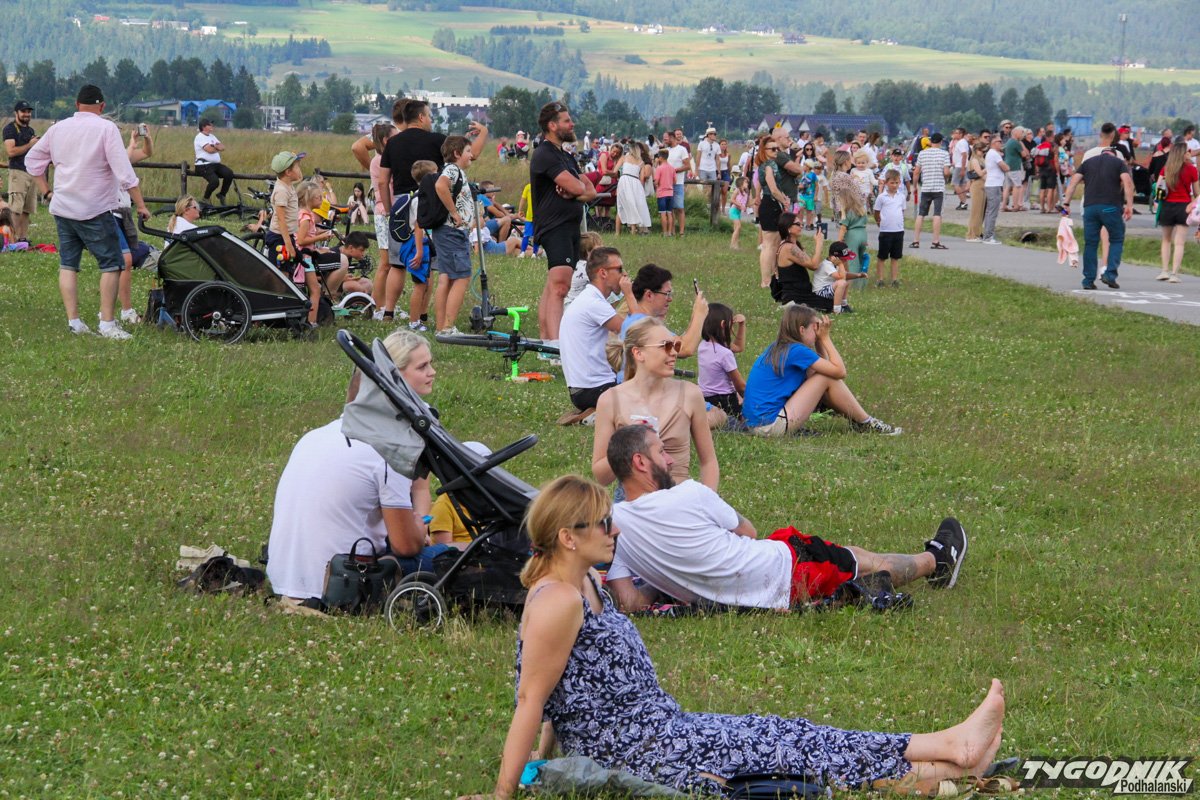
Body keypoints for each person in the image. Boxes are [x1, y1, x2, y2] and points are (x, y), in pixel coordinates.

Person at [465, 473, 1004, 799]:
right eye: (604, 523)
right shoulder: (556, 602)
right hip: (643, 752)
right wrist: (505, 791)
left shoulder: (582, 582)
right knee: (782, 751)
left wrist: (543, 763)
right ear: (567, 537)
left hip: (662, 732)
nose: (617, 529)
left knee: (785, 735)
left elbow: (560, 700)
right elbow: (532, 702)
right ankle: (949, 755)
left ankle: (948, 757)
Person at [605, 424, 968, 612]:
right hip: (783, 570)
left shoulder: (613, 529)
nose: (670, 460)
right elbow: (748, 532)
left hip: (755, 586)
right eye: (661, 452)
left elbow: (630, 602)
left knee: (848, 559)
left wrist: (665, 579)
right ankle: (935, 561)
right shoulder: (689, 492)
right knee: (860, 562)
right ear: (640, 462)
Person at [266, 330, 444, 603]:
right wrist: (419, 529)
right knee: (451, 557)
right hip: (339, 581)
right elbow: (406, 546)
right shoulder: (386, 450)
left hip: (283, 577)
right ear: (395, 381)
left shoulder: (316, 436)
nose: (432, 372)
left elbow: (420, 487)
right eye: (422, 366)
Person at [25, 84, 150, 340]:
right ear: (102, 106)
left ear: (76, 105)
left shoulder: (58, 128)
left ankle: (74, 322)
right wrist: (140, 205)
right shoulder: (106, 129)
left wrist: (47, 192)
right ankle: (107, 324)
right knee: (112, 264)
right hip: (94, 209)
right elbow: (125, 173)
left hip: (63, 208)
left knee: (68, 264)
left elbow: (32, 161)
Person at [592, 318, 721, 491]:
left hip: (679, 497)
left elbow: (709, 462)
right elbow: (602, 477)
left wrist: (707, 499)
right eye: (665, 346)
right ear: (638, 353)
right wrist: (628, 444)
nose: (674, 352)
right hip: (634, 501)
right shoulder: (610, 400)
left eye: (675, 345)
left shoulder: (690, 394)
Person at [742, 304, 900, 437]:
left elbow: (821, 370)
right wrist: (825, 338)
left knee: (823, 376)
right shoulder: (796, 350)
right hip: (769, 427)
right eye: (815, 328)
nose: (818, 332)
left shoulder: (781, 347)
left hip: (757, 425)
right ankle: (866, 423)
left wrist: (818, 342)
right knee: (826, 378)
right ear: (802, 330)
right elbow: (839, 372)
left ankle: (860, 421)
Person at [530, 101, 597, 344]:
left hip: (569, 226)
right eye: (567, 120)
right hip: (554, 226)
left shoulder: (565, 155)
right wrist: (577, 189)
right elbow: (579, 187)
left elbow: (590, 190)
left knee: (554, 285)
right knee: (560, 287)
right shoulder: (545, 154)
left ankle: (546, 342)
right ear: (552, 125)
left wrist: (575, 192)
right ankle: (557, 346)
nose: (572, 124)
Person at [558, 246, 635, 419]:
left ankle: (597, 412)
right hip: (593, 389)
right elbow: (637, 333)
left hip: (583, 389)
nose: (624, 274)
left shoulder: (590, 299)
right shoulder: (593, 303)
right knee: (652, 396)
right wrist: (630, 295)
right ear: (603, 273)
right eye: (619, 269)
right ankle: (598, 414)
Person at [1061, 122, 1134, 290]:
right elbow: (1127, 182)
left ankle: (1088, 280)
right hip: (1110, 207)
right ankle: (1110, 273)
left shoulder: (1088, 161)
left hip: (1090, 207)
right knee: (1116, 238)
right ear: (1113, 154)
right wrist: (1129, 205)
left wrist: (1065, 204)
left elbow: (1073, 183)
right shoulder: (1118, 162)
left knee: (1091, 243)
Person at [431, 135, 477, 335]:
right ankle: (448, 326)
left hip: (446, 232)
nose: (471, 155)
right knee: (462, 277)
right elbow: (440, 186)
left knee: (447, 278)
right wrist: (454, 212)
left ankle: (442, 326)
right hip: (453, 232)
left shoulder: (453, 170)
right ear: (457, 153)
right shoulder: (452, 170)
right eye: (468, 151)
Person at [368, 123, 406, 323]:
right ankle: (378, 306)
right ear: (386, 140)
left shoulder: (385, 158)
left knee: (392, 263)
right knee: (385, 263)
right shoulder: (379, 161)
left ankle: (386, 304)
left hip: (390, 212)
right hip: (385, 212)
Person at [1153, 141, 1198, 284]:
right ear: (1184, 154)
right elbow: (1197, 192)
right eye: (1188, 151)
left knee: (1166, 239)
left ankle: (1164, 271)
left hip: (1167, 206)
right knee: (1179, 243)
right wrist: (1192, 203)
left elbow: (1158, 189)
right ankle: (1174, 274)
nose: (1190, 153)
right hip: (1184, 207)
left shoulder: (1166, 168)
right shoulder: (1191, 169)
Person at [698, 303, 746, 417]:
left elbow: (738, 347)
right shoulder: (724, 354)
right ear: (723, 324)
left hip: (705, 398)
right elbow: (740, 387)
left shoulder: (703, 345)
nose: (732, 329)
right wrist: (753, 401)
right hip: (725, 401)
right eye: (731, 325)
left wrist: (742, 325)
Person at [4, 100, 39, 242]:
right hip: (18, 172)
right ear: (16, 113)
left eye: (28, 112)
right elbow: (11, 151)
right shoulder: (10, 129)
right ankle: (11, 240)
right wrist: (29, 144)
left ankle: (23, 239)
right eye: (23, 111)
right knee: (15, 209)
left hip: (31, 172)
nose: (26, 114)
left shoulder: (30, 131)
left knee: (26, 209)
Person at [911, 132, 950, 250]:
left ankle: (916, 241)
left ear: (931, 141)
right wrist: (946, 178)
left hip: (926, 188)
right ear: (941, 142)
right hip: (939, 189)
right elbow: (946, 172)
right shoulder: (944, 154)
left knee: (921, 214)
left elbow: (916, 172)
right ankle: (935, 241)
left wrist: (915, 186)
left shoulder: (922, 154)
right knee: (937, 214)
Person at [874, 168, 906, 284]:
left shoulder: (901, 196)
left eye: (897, 182)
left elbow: (902, 211)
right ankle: (880, 279)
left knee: (895, 257)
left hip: (898, 230)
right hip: (886, 231)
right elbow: (876, 212)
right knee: (882, 256)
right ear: (886, 183)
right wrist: (879, 222)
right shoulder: (881, 197)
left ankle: (894, 279)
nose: (894, 185)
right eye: (892, 183)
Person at [193, 118, 234, 205]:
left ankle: (222, 194)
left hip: (215, 165)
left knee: (229, 173)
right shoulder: (199, 137)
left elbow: (222, 147)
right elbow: (209, 150)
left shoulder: (212, 136)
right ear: (204, 127)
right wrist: (216, 147)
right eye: (209, 124)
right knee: (215, 182)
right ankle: (206, 198)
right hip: (203, 165)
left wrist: (214, 146)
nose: (212, 126)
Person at [614, 143, 653, 235]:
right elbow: (642, 179)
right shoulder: (641, 162)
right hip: (636, 184)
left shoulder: (624, 158)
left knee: (621, 206)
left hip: (624, 181)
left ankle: (617, 232)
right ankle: (633, 231)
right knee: (633, 206)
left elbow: (615, 171)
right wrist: (641, 191)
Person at [812, 241, 855, 313]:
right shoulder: (827, 265)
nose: (846, 260)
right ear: (834, 257)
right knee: (841, 283)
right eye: (843, 258)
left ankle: (844, 305)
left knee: (846, 281)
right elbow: (842, 278)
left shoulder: (835, 264)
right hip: (820, 293)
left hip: (828, 290)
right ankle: (837, 310)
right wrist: (840, 264)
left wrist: (858, 275)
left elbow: (845, 275)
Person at [666, 130, 695, 237]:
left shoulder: (682, 149)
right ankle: (672, 230)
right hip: (667, 183)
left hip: (678, 182)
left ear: (672, 138)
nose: (665, 140)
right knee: (670, 208)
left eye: (667, 138)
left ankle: (682, 231)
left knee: (680, 208)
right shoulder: (666, 150)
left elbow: (687, 166)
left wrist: (675, 170)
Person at [981, 137, 1008, 245]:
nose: (1001, 143)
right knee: (992, 211)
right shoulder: (994, 154)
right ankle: (988, 236)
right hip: (994, 184)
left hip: (993, 184)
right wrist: (1006, 166)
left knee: (990, 211)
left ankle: (987, 234)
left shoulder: (992, 153)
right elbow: (1005, 167)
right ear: (993, 143)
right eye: (999, 142)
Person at [964, 141, 988, 242]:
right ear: (977, 150)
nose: (983, 153)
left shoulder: (982, 159)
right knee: (976, 211)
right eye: (982, 151)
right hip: (977, 186)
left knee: (981, 212)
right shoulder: (974, 160)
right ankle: (971, 235)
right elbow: (979, 173)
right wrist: (988, 168)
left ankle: (978, 233)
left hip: (983, 186)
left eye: (985, 151)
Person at [1001, 127, 1027, 212]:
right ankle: (1015, 205)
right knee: (1017, 185)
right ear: (1015, 133)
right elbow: (1024, 154)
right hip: (1015, 166)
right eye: (1021, 132)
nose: (1022, 135)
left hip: (1008, 165)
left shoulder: (1009, 141)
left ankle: (1004, 205)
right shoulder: (1016, 142)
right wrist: (1021, 144)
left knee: (1007, 187)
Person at [652, 149, 675, 236]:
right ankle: (669, 232)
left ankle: (665, 232)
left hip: (662, 194)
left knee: (663, 213)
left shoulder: (659, 168)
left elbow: (656, 182)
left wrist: (655, 183)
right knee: (669, 213)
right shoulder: (672, 168)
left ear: (660, 158)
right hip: (670, 193)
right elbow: (675, 181)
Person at [950, 127, 971, 210]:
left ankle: (963, 202)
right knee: (962, 185)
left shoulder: (961, 143)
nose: (954, 134)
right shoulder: (962, 142)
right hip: (961, 165)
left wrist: (962, 169)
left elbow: (964, 155)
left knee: (955, 184)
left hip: (960, 166)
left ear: (961, 134)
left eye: (956, 133)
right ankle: (963, 202)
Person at [728, 176, 750, 249]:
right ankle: (732, 245)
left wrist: (755, 201)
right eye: (745, 182)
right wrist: (740, 205)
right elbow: (732, 199)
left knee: (737, 229)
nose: (747, 184)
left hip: (738, 212)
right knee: (738, 227)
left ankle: (736, 244)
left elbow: (747, 204)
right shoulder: (737, 190)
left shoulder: (745, 193)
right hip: (734, 210)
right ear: (741, 183)